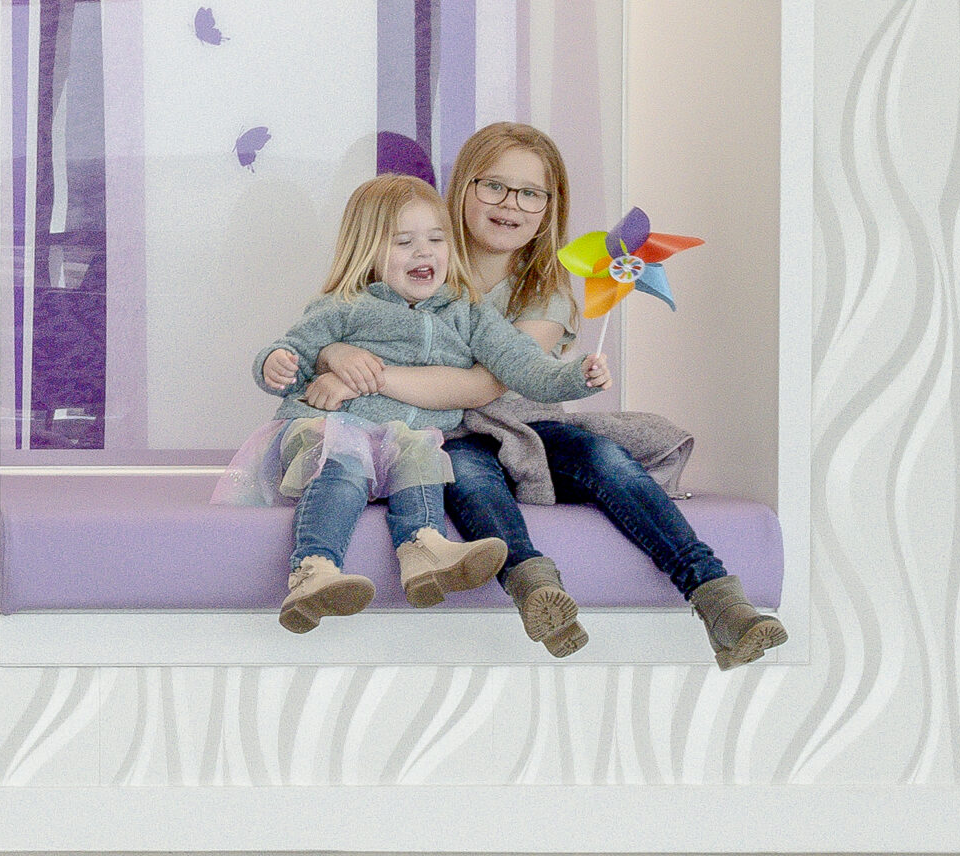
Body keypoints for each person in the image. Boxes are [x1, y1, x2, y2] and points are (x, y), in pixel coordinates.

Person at [320, 123, 788, 669]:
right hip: (448, 432)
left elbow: (488, 382)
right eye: (493, 186)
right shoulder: (421, 267)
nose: (510, 204)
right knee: (469, 477)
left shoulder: (546, 291)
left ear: (550, 207)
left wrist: (367, 375)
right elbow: (338, 325)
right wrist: (335, 357)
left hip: (529, 425)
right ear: (463, 189)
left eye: (531, 193)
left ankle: (716, 595)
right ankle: (535, 586)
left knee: (606, 458)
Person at [238, 172, 610, 634]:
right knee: (347, 465)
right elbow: (289, 353)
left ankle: (424, 549)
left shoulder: (470, 312)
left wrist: (576, 377)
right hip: (331, 430)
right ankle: (314, 569)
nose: (424, 252)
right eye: (403, 242)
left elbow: (523, 365)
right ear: (368, 250)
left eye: (436, 239)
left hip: (402, 440)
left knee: (422, 453)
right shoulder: (345, 305)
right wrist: (275, 362)